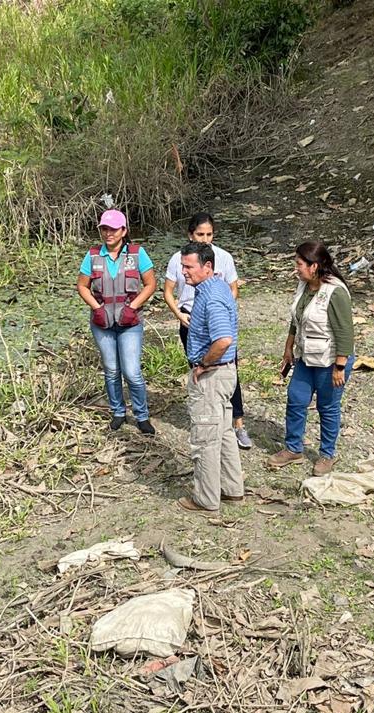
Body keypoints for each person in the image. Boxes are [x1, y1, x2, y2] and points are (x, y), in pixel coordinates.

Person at [164, 213, 252, 450]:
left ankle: (236, 424)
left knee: (224, 368)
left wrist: (221, 312)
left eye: (209, 234)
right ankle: (210, 420)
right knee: (200, 374)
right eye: (200, 234)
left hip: (214, 319)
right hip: (190, 318)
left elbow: (233, 290)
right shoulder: (179, 258)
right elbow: (168, 291)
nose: (205, 239)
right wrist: (179, 314)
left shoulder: (222, 258)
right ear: (190, 235)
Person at [267, 241, 355, 476]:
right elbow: (296, 320)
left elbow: (345, 332)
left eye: (299, 264)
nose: (296, 269)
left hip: (330, 360)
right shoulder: (304, 286)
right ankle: (293, 448)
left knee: (328, 407)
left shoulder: (335, 292)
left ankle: (327, 454)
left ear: (314, 266)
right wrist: (288, 348)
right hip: (306, 356)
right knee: (296, 399)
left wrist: (340, 366)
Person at [176, 241, 244, 512]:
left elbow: (223, 339)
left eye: (189, 266)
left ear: (207, 266)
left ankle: (205, 498)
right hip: (225, 374)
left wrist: (203, 364)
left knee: (205, 438)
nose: (184, 272)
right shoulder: (217, 286)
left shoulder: (212, 297)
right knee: (224, 431)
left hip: (213, 376)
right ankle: (231, 488)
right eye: (182, 266)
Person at [76, 209, 157, 434]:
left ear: (123, 230)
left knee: (131, 371)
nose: (108, 233)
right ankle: (118, 412)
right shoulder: (93, 255)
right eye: (104, 229)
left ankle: (142, 415)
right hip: (102, 322)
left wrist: (133, 307)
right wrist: (96, 308)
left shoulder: (137, 254)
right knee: (111, 369)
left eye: (113, 229)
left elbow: (151, 284)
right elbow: (82, 285)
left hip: (130, 322)